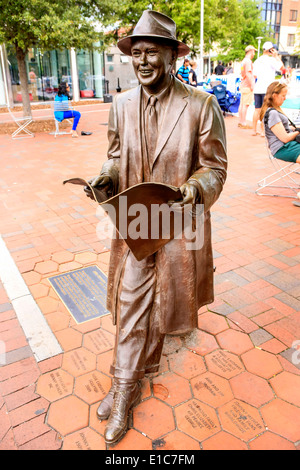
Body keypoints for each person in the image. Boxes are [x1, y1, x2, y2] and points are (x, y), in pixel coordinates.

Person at [88, 10, 227, 446]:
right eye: (136, 53)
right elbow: (114, 154)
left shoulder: (201, 105)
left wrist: (193, 189)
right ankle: (126, 386)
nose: (143, 61)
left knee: (155, 307)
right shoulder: (122, 104)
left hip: (177, 224)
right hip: (135, 221)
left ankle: (127, 380)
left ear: (171, 57)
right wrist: (106, 177)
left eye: (152, 52)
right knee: (132, 301)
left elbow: (216, 169)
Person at [260, 81, 300, 163]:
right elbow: (285, 138)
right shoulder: (273, 113)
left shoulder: (272, 110)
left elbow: (279, 130)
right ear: (274, 96)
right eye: (283, 96)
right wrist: (298, 131)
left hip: (285, 146)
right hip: (283, 148)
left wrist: (292, 128)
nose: (285, 98)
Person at [252, 41, 284, 137]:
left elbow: (254, 75)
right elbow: (282, 67)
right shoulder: (271, 60)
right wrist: (276, 56)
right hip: (267, 88)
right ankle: (263, 131)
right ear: (271, 50)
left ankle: (254, 130)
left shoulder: (257, 61)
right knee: (265, 110)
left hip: (258, 88)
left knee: (257, 109)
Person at [238, 45, 256, 129]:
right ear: (251, 51)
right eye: (254, 51)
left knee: (242, 104)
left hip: (243, 84)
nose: (254, 53)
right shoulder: (248, 61)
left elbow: (244, 73)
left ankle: (241, 121)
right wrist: (252, 84)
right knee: (245, 104)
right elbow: (248, 74)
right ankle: (243, 122)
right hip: (247, 85)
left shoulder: (243, 61)